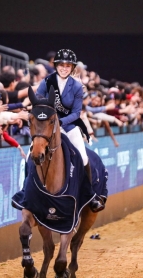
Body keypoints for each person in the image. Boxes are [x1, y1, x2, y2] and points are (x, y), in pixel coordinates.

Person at [36, 48, 105, 212]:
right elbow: (38, 100)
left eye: (68, 65)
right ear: (56, 65)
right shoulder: (46, 81)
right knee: (30, 157)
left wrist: (60, 121)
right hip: (47, 127)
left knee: (83, 157)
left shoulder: (76, 86)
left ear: (72, 67)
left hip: (69, 126)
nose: (64, 68)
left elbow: (76, 113)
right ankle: (26, 192)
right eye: (61, 65)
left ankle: (90, 195)